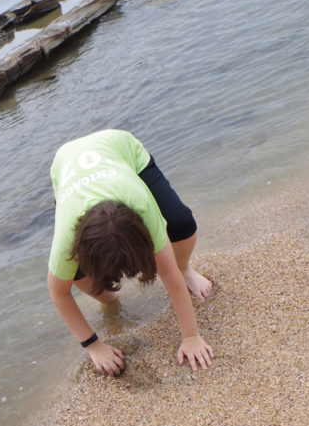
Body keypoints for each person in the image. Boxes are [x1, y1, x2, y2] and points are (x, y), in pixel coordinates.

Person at [47, 129, 214, 376]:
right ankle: (109, 300)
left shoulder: (142, 208)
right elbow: (59, 293)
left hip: (121, 148)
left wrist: (191, 336)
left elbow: (167, 272)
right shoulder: (66, 236)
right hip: (65, 165)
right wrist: (93, 345)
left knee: (181, 223)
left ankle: (187, 269)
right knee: (82, 278)